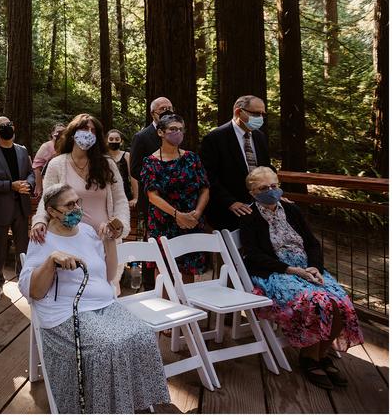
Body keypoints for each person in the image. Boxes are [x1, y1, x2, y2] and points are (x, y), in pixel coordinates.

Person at [18, 184, 170, 413]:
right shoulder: (42, 238)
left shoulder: (88, 232)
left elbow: (108, 276)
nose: (77, 208)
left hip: (104, 304)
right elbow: (33, 290)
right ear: (51, 211)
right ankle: (103, 407)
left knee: (143, 335)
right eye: (69, 205)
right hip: (67, 311)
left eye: (78, 202)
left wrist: (109, 240)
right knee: (105, 347)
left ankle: (130, 402)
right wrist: (51, 260)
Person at [240, 166, 363, 390]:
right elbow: (254, 256)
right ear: (253, 193)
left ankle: (320, 354)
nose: (271, 190)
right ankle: (309, 357)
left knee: (342, 303)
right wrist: (290, 269)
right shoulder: (250, 216)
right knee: (319, 302)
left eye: (274, 186)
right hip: (278, 274)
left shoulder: (291, 210)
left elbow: (312, 242)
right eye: (264, 188)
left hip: (308, 269)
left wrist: (315, 267)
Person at [30, 114, 130, 290]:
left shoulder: (107, 164)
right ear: (73, 132)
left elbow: (121, 199)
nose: (88, 134)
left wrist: (119, 224)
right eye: (84, 129)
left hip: (104, 239)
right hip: (69, 239)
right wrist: (39, 220)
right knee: (72, 288)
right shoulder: (57, 164)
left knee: (105, 287)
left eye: (93, 131)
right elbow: (47, 199)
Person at [140, 113, 210, 282]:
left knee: (188, 270)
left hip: (191, 220)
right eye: (172, 129)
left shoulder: (192, 158)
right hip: (164, 222)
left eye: (180, 129)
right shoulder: (150, 162)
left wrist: (197, 214)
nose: (177, 133)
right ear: (160, 132)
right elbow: (152, 195)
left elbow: (205, 188)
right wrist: (178, 215)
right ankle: (164, 306)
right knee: (164, 270)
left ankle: (185, 306)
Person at [0, 116, 36, 302]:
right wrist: (10, 185)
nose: (7, 128)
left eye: (9, 125)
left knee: (23, 247)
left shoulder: (22, 151)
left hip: (21, 207)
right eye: (2, 126)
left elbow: (30, 173)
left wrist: (28, 184)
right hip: (1, 209)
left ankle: (25, 281)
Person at [201, 95, 273, 231]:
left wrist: (274, 192)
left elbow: (266, 168)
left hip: (259, 208)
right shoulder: (215, 138)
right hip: (228, 212)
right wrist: (230, 202)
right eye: (256, 113)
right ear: (238, 112)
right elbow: (207, 176)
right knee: (231, 251)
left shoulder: (260, 137)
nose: (261, 118)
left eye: (263, 114)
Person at [130, 96, 174, 290]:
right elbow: (135, 169)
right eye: (162, 109)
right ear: (152, 113)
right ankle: (150, 287)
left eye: (170, 108)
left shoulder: (176, 133)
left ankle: (173, 284)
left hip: (175, 200)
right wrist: (159, 177)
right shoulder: (142, 136)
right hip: (152, 200)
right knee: (152, 244)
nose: (167, 111)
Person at [106, 128, 138, 209]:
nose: (114, 141)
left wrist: (135, 198)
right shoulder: (103, 157)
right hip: (107, 195)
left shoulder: (127, 155)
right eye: (111, 139)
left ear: (121, 142)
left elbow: (133, 177)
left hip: (125, 194)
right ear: (107, 141)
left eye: (117, 139)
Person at [33, 123, 65, 198]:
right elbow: (37, 167)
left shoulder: (67, 146)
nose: (59, 134)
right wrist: (39, 186)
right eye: (57, 131)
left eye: (62, 132)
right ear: (52, 133)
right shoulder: (46, 146)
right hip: (49, 181)